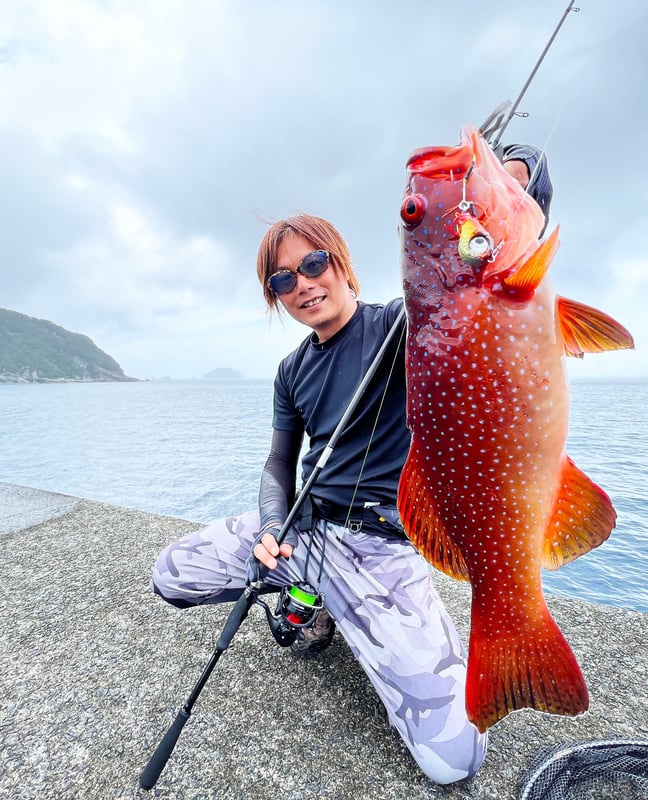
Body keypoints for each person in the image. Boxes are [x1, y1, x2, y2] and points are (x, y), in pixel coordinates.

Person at [151, 148, 552, 784]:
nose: (303, 283)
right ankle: (304, 598)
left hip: (379, 549)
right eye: (283, 280)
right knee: (169, 575)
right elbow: (280, 461)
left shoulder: (404, 323)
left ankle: (350, 612)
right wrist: (270, 528)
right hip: (304, 532)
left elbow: (483, 282)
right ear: (276, 297)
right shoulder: (290, 371)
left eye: (313, 264)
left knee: (455, 760)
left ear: (341, 264)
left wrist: (519, 172)